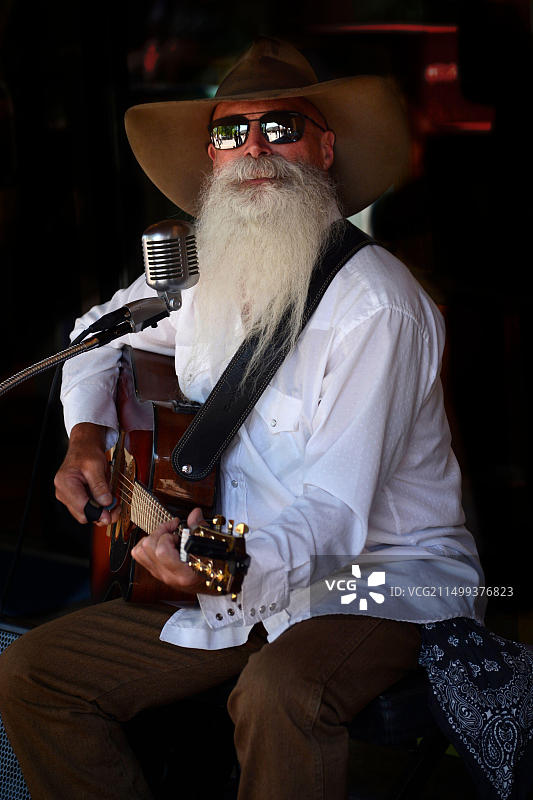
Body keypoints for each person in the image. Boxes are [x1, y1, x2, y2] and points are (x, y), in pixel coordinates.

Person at [0, 38, 486, 799]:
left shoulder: (377, 306)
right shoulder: (199, 272)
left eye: (279, 126)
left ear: (324, 148)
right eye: (230, 133)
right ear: (210, 158)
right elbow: (99, 332)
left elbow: (334, 511)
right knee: (34, 675)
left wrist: (218, 569)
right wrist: (86, 434)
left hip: (376, 582)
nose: (253, 148)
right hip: (231, 569)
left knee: (277, 694)